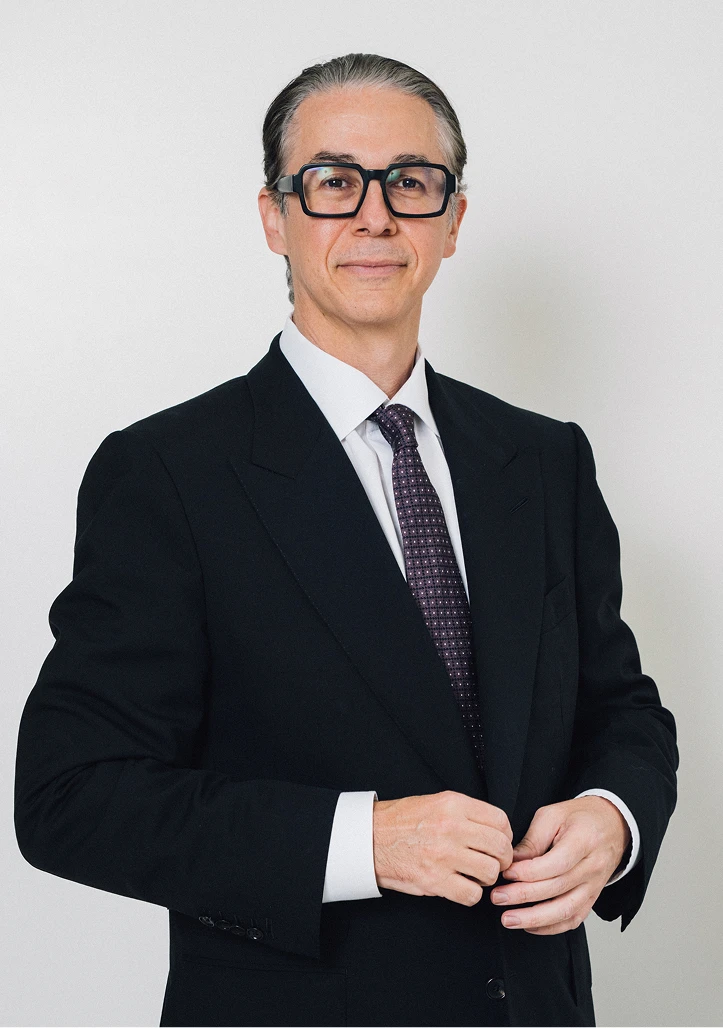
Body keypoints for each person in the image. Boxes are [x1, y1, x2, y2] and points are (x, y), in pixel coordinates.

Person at [14, 53, 678, 1028]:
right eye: (333, 182)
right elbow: (74, 794)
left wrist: (613, 817)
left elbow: (621, 708)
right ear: (274, 216)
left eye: (410, 182)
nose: (375, 215)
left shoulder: (543, 461)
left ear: (452, 220)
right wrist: (361, 841)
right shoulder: (168, 473)